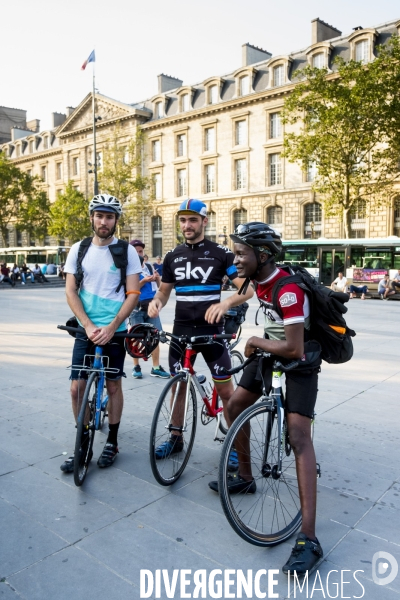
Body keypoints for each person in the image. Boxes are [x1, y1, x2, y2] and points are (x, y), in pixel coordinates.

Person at [208, 222, 323, 576]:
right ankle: (245, 475)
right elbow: (240, 292)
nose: (236, 259)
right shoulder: (258, 280)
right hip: (270, 351)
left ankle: (309, 539)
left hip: (300, 357)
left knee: (298, 435)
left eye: (241, 254)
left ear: (263, 255)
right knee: (235, 404)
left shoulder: (289, 291)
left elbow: (294, 346)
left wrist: (256, 341)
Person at [148, 198, 253, 458]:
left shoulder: (221, 253)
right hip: (181, 331)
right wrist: (156, 303)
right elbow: (163, 291)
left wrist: (226, 303)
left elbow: (247, 288)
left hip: (212, 333)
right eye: (183, 220)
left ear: (204, 221)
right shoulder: (173, 256)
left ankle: (233, 446)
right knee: (178, 386)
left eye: (193, 220)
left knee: (227, 392)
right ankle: (176, 437)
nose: (187, 225)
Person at [60, 194, 141, 473]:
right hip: (86, 329)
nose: (103, 221)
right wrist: (87, 324)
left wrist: (111, 326)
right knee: (76, 388)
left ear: (116, 220)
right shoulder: (79, 249)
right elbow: (70, 291)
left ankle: (112, 442)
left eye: (109, 217)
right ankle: (82, 445)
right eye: (99, 215)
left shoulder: (126, 250)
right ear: (91, 217)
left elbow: (133, 293)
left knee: (113, 385)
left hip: (115, 330)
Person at [128, 240, 169, 379]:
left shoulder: (150, 267)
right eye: (135, 251)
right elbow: (130, 289)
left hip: (151, 307)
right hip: (136, 308)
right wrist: (143, 281)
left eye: (140, 251)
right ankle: (136, 366)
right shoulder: (129, 269)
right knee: (136, 337)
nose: (139, 254)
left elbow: (159, 286)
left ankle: (156, 367)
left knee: (155, 336)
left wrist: (157, 279)